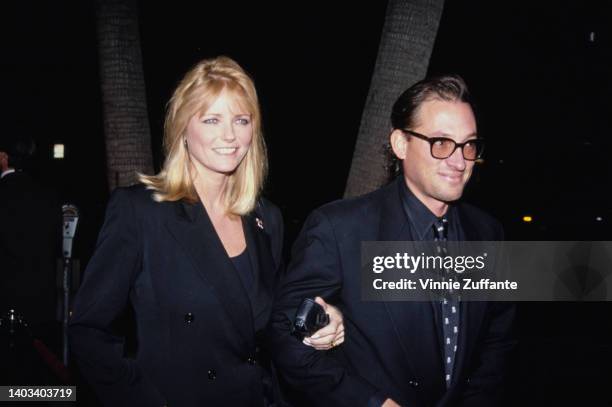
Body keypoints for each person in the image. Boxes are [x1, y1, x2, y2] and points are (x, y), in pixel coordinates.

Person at [69, 56, 344, 407]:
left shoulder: (266, 218)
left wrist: (321, 321)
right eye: (212, 119)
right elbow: (89, 331)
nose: (230, 135)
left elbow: (271, 321)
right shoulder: (141, 211)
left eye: (241, 120)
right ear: (184, 129)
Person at [270, 75, 516, 406]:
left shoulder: (488, 233)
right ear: (400, 144)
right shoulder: (339, 228)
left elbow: (496, 338)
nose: (460, 161)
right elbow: (286, 338)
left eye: (469, 144)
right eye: (441, 142)